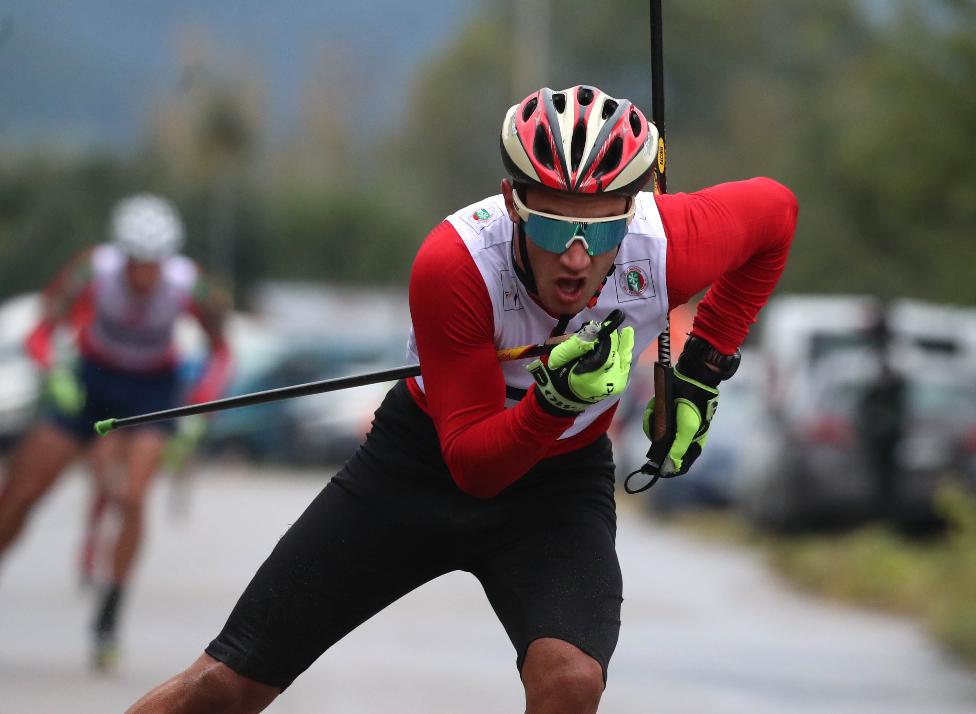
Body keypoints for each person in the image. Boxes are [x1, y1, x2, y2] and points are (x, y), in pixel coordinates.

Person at [128, 85, 797, 713]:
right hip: (418, 466)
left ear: (632, 211)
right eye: (551, 226)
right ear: (512, 203)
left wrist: (702, 369)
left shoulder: (666, 244)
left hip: (558, 487)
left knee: (571, 679)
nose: (574, 256)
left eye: (598, 232)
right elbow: (475, 468)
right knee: (227, 686)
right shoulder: (456, 262)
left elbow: (777, 215)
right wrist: (555, 404)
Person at [0, 194, 232, 669]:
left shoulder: (189, 284)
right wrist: (53, 371)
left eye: (153, 265)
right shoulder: (93, 270)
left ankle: (108, 617)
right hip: (92, 379)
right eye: (135, 264)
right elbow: (41, 329)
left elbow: (222, 350)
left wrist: (199, 410)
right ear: (121, 255)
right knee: (22, 491)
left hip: (152, 389)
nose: (144, 276)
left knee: (132, 496)